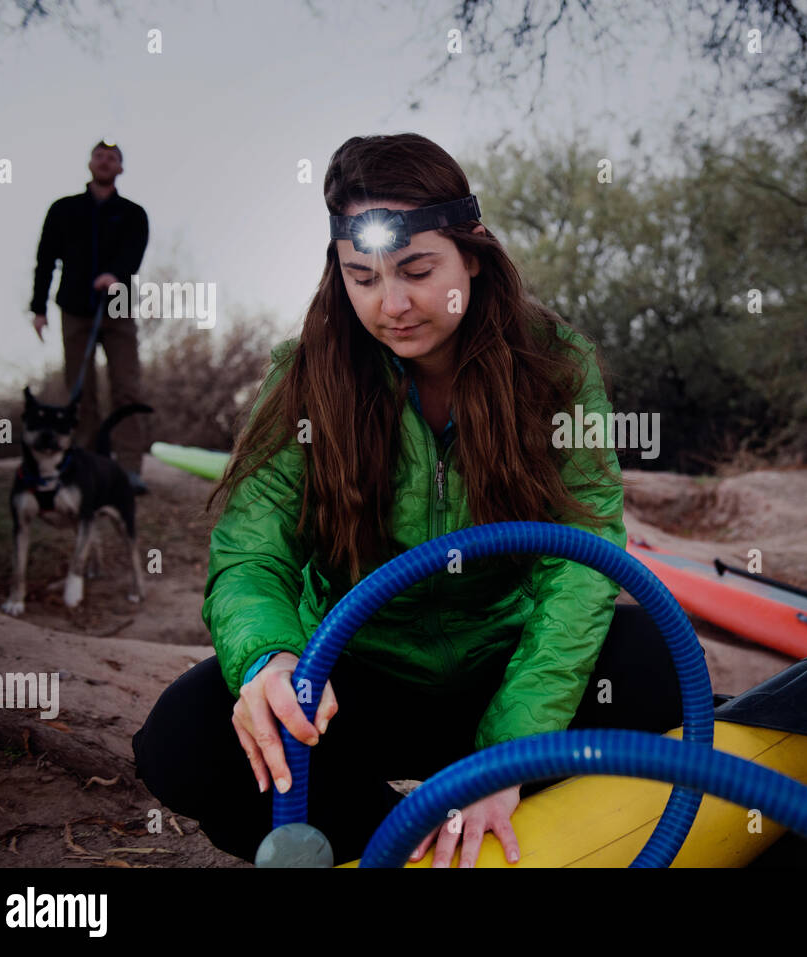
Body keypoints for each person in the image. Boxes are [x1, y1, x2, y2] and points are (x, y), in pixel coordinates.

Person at [131, 133, 685, 867]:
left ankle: (517, 823)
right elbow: (251, 553)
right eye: (362, 277)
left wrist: (505, 757)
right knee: (184, 736)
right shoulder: (302, 376)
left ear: (473, 255)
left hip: (505, 665)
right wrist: (267, 658)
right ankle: (396, 838)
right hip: (358, 676)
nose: (392, 304)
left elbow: (583, 557)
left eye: (417, 270)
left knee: (652, 661)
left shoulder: (555, 362)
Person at [30, 140, 151, 493]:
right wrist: (38, 308)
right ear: (89, 163)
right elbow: (45, 259)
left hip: (118, 305)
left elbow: (134, 253)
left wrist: (115, 274)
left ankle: (129, 470)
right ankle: (86, 467)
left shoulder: (133, 213)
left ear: (121, 168)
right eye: (100, 155)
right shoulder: (63, 209)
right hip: (74, 308)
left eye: (113, 157)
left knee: (126, 388)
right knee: (80, 391)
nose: (105, 161)